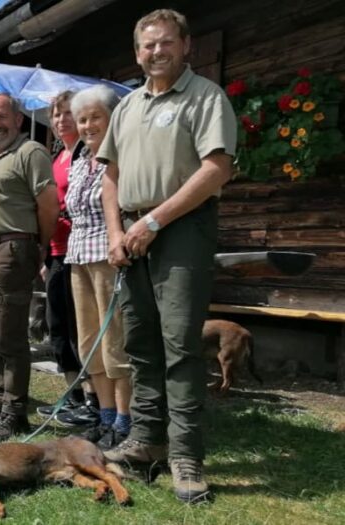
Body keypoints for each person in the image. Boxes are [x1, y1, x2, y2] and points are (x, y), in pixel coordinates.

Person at [98, 9, 236, 504]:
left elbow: (216, 167)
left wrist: (154, 222)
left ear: (186, 46)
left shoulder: (205, 97)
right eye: (147, 46)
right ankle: (147, 442)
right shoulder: (127, 106)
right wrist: (117, 232)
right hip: (131, 233)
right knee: (141, 344)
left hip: (181, 228)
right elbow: (110, 176)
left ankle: (186, 456)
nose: (156, 52)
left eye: (165, 43)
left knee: (179, 344)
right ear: (137, 53)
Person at [0, 93, 58, 443]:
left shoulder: (30, 151)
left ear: (18, 119)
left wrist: (38, 245)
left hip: (11, 248)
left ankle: (15, 412)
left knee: (11, 336)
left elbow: (48, 204)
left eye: (1, 117)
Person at [65, 85, 132, 450]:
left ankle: (125, 420)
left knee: (115, 341)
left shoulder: (121, 158)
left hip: (110, 258)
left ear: (112, 118)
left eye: (95, 117)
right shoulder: (78, 165)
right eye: (83, 119)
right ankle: (105, 416)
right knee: (89, 342)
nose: (88, 124)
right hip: (78, 258)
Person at [36, 92, 99, 427]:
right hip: (57, 253)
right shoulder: (58, 156)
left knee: (80, 329)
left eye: (66, 114)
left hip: (81, 253)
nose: (61, 120)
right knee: (58, 329)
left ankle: (93, 398)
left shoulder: (86, 154)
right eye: (56, 115)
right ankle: (72, 397)